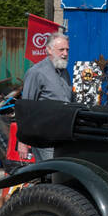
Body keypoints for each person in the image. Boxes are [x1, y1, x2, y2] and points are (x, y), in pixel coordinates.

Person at [21, 32, 73, 160]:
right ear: (49, 50)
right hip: (44, 136)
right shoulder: (36, 73)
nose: (65, 54)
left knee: (60, 173)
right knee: (49, 172)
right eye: (61, 50)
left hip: (62, 135)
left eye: (67, 50)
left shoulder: (64, 72)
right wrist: (22, 141)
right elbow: (26, 106)